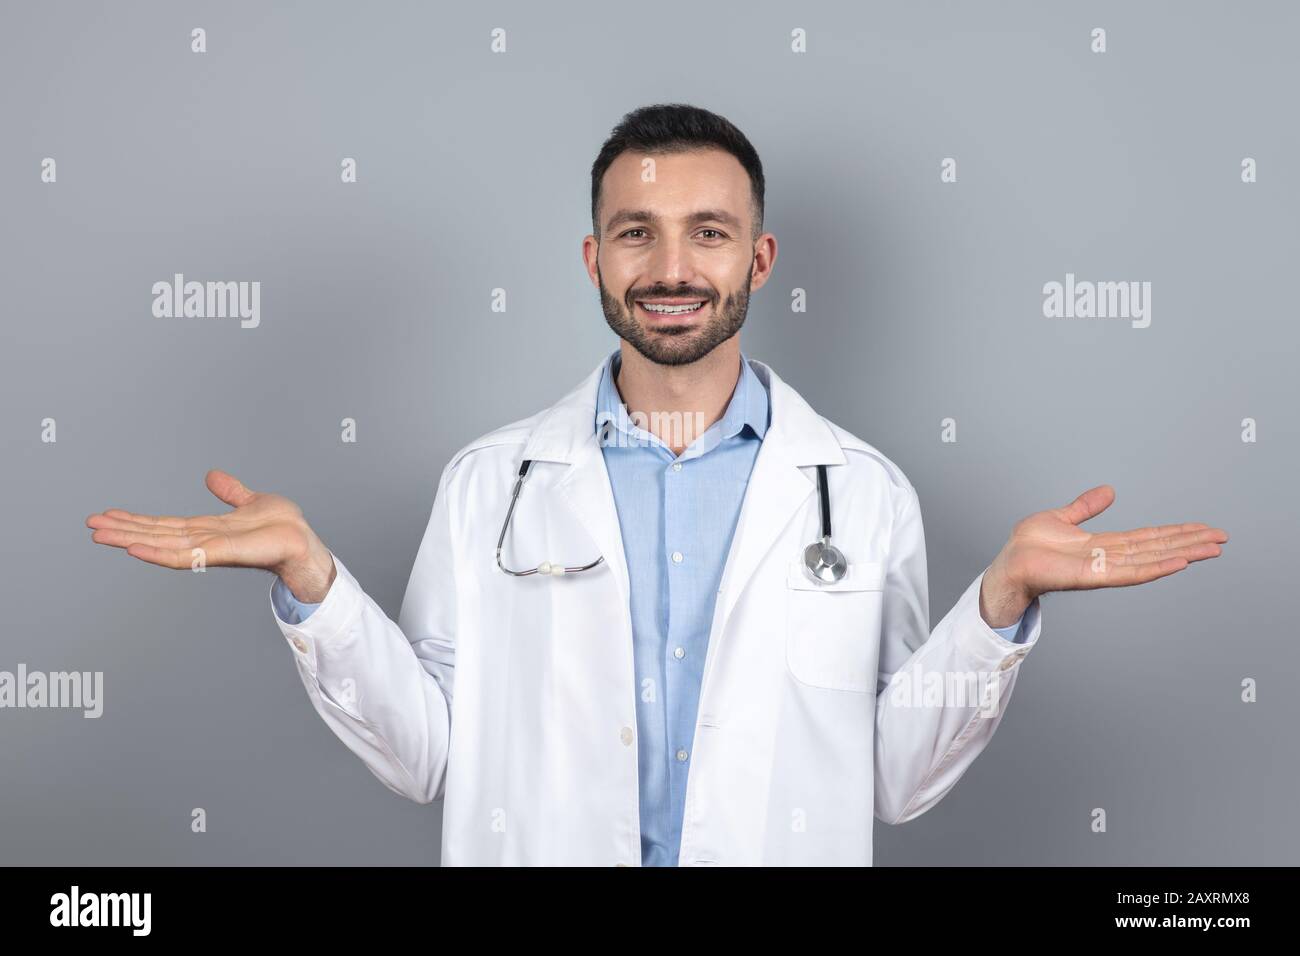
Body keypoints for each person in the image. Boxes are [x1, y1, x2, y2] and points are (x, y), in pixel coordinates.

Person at [87, 104, 1228, 866]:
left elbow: (888, 780)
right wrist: (314, 583)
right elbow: (428, 754)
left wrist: (999, 608)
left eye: (708, 233)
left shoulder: (862, 494)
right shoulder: (491, 482)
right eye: (636, 232)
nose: (672, 268)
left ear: (757, 259)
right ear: (594, 259)